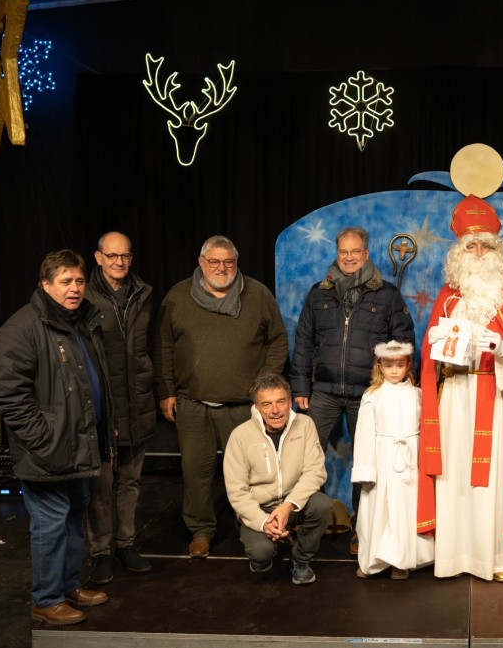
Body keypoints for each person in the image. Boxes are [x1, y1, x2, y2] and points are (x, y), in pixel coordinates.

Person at [418, 194, 503, 582]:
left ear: (496, 252)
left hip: (496, 396)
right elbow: (430, 356)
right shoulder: (448, 297)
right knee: (454, 475)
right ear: (459, 252)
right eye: (470, 246)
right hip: (455, 396)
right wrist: (436, 345)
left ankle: (496, 558)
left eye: (484, 246)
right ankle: (454, 556)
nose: (477, 253)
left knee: (493, 479)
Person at [0, 250, 113, 625]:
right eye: (65, 281)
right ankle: (45, 599)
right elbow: (6, 393)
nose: (74, 288)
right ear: (45, 284)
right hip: (48, 450)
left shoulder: (81, 321)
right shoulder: (23, 327)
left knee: (75, 518)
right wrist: (43, 438)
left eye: (79, 281)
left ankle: (68, 586)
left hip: (79, 444)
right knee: (50, 524)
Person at [155, 235, 288, 559]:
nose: (221, 268)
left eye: (228, 262)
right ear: (201, 263)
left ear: (236, 263)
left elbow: (277, 341)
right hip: (192, 403)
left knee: (252, 474)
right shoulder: (178, 296)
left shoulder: (257, 294)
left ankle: (254, 528)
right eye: (214, 261)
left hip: (242, 406)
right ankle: (201, 530)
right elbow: (164, 346)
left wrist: (263, 390)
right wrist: (167, 390)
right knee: (195, 473)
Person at [289, 226, 414, 555]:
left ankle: (364, 526)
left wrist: (392, 386)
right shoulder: (319, 293)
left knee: (368, 462)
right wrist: (300, 385)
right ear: (337, 253)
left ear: (366, 253)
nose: (348, 258)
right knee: (305, 456)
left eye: (355, 251)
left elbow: (404, 341)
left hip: (369, 393)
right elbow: (303, 341)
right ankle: (305, 522)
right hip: (323, 391)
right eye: (343, 252)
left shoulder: (386, 294)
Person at [84, 232, 155, 585]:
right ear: (98, 257)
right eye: (112, 256)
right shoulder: (84, 297)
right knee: (100, 486)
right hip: (103, 409)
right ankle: (100, 552)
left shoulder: (143, 294)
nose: (119, 262)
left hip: (137, 404)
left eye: (125, 256)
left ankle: (126, 544)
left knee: (130, 481)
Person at [223, 373, 332, 585]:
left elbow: (315, 471)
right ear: (257, 407)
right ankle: (260, 544)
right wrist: (264, 521)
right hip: (260, 507)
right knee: (261, 554)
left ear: (290, 402)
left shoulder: (305, 424)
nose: (275, 410)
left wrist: (287, 506)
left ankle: (300, 559)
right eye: (267, 404)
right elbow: (237, 491)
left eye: (281, 402)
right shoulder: (240, 435)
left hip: (293, 503)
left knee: (322, 505)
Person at [352, 341, 434, 580]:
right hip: (382, 459)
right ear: (380, 366)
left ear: (408, 365)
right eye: (389, 366)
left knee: (406, 511)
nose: (395, 370)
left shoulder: (418, 394)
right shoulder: (373, 396)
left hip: (409, 462)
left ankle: (402, 562)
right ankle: (373, 561)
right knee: (379, 510)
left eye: (400, 365)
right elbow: (364, 434)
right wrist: (366, 470)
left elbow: (425, 432)